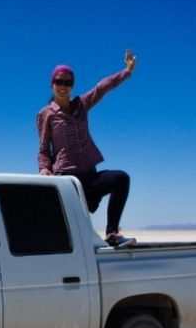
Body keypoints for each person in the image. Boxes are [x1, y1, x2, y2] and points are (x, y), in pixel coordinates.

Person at [37, 50, 137, 248]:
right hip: (68, 179)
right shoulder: (45, 114)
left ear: (72, 85)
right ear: (52, 84)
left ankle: (112, 233)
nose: (63, 86)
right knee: (69, 223)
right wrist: (44, 170)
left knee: (121, 178)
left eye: (68, 82)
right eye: (59, 82)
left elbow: (103, 87)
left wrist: (127, 71)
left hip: (90, 176)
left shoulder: (81, 105)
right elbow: (43, 148)